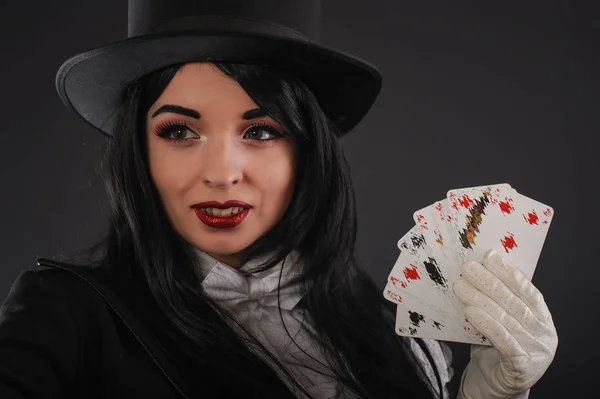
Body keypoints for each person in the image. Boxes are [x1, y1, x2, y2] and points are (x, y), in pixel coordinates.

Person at [0, 1, 558, 398]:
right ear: (138, 153)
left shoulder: (393, 326)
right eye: (178, 131)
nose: (222, 174)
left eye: (261, 131)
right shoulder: (63, 316)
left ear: (307, 151)